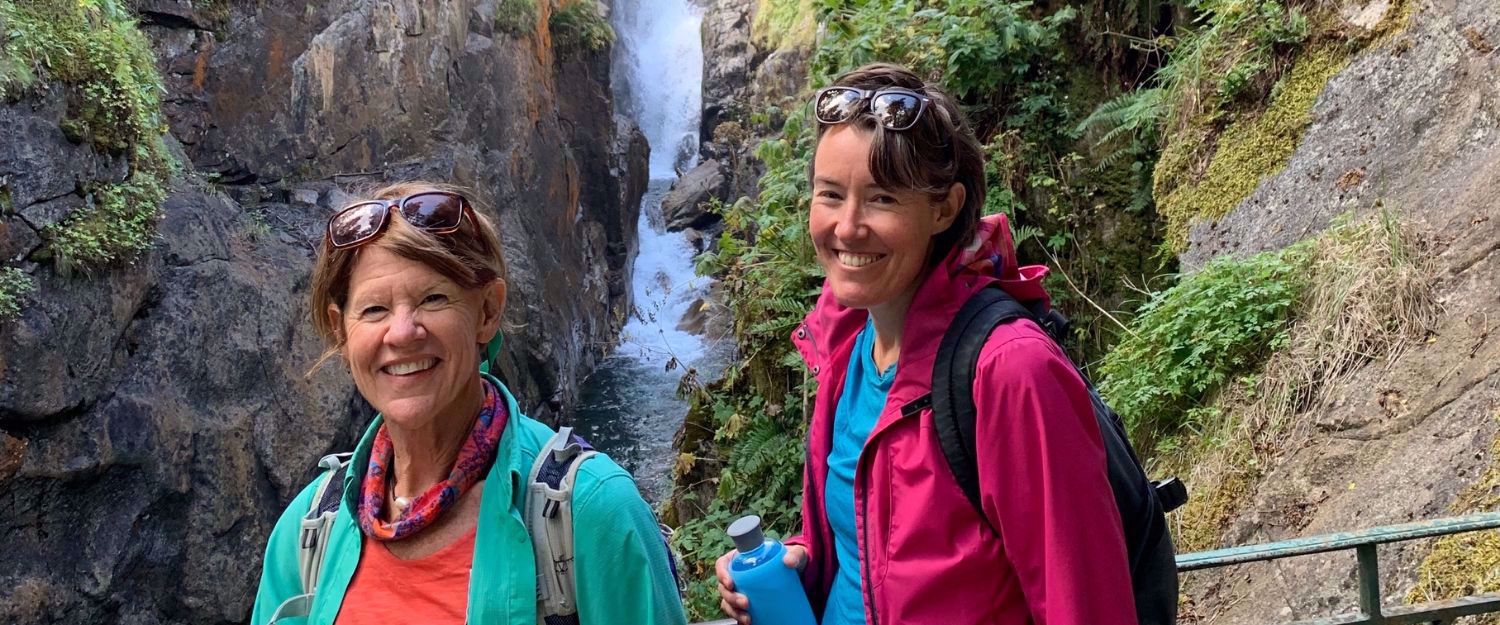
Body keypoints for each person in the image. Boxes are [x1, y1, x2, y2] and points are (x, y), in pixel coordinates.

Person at [714, 64, 1140, 624]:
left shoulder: (1010, 372)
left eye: (882, 199)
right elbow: (872, 546)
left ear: (944, 208)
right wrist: (803, 560)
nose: (847, 227)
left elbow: (1086, 604)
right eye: (830, 194)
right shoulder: (848, 344)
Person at [250, 182, 687, 625]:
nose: (402, 333)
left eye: (433, 299)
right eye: (374, 309)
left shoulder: (592, 515)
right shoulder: (307, 532)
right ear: (341, 331)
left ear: (487, 311)